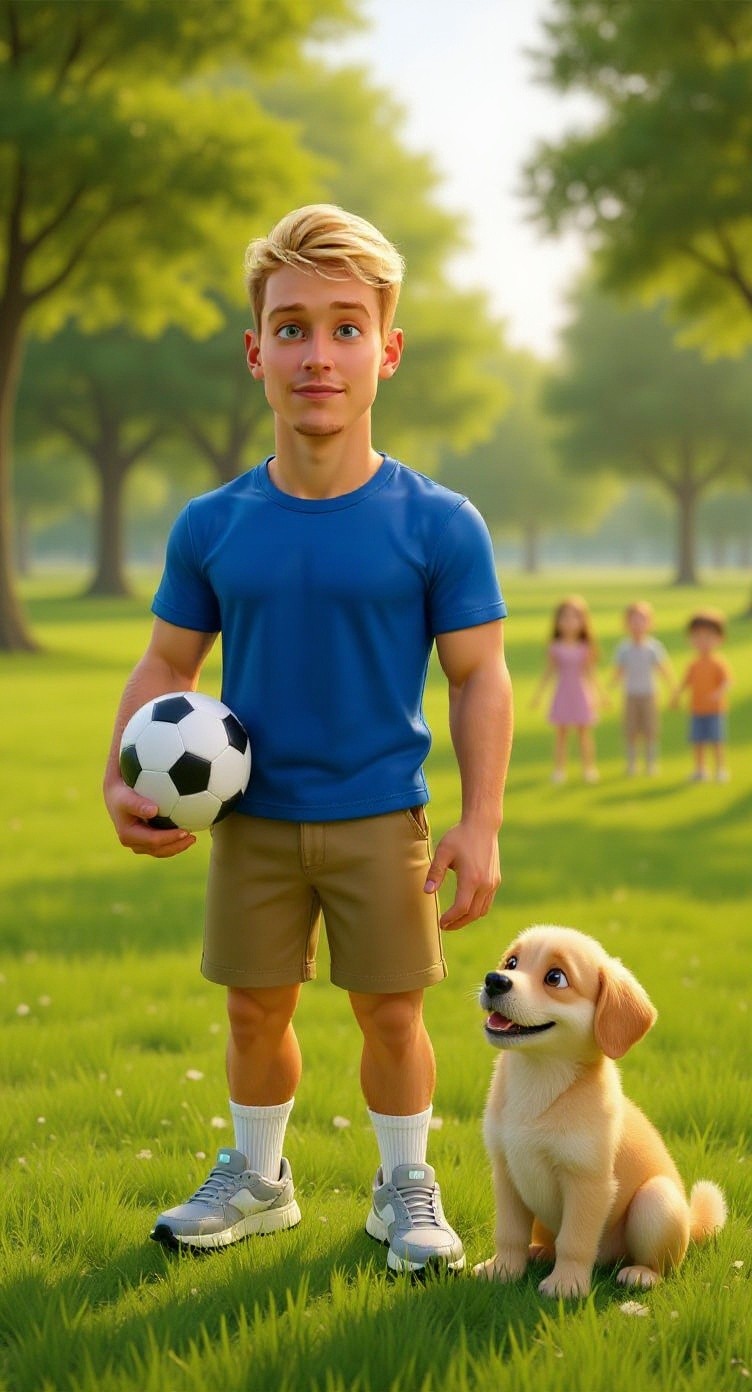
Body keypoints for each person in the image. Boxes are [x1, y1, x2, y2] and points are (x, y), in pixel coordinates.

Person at [103, 204, 513, 1274]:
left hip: (383, 815)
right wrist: (123, 777)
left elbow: (478, 677)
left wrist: (478, 821)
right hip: (253, 820)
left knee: (389, 1012)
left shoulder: (437, 523)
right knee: (252, 1010)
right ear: (255, 353)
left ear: (388, 349)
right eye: (290, 328)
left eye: (343, 327)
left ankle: (400, 1189)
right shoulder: (213, 524)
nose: (316, 354)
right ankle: (259, 1178)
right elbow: (165, 668)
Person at [530, 594, 604, 784]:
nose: (569, 622)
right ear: (557, 621)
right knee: (561, 735)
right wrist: (538, 695)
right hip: (563, 693)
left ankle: (589, 768)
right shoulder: (555, 647)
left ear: (582, 621)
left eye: (574, 617)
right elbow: (549, 672)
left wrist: (600, 695)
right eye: (565, 617)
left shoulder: (585, 647)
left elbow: (590, 673)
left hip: (580, 693)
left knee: (584, 734)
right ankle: (559, 770)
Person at [611, 601, 673, 776]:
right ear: (626, 623)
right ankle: (632, 763)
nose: (638, 624)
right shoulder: (624, 648)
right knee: (631, 730)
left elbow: (663, 669)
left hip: (649, 694)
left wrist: (673, 688)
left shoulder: (654, 647)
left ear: (650, 623)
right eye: (634, 620)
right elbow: (618, 672)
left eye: (642, 619)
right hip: (630, 694)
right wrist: (607, 692)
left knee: (650, 730)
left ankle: (650, 763)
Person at [671, 609, 732, 782]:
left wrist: (717, 694)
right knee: (698, 741)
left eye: (708, 637)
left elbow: (727, 682)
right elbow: (685, 682)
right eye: (697, 636)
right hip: (696, 709)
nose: (702, 641)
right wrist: (676, 696)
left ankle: (720, 769)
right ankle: (700, 769)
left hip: (715, 710)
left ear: (720, 639)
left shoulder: (718, 662)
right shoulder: (694, 664)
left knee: (717, 740)